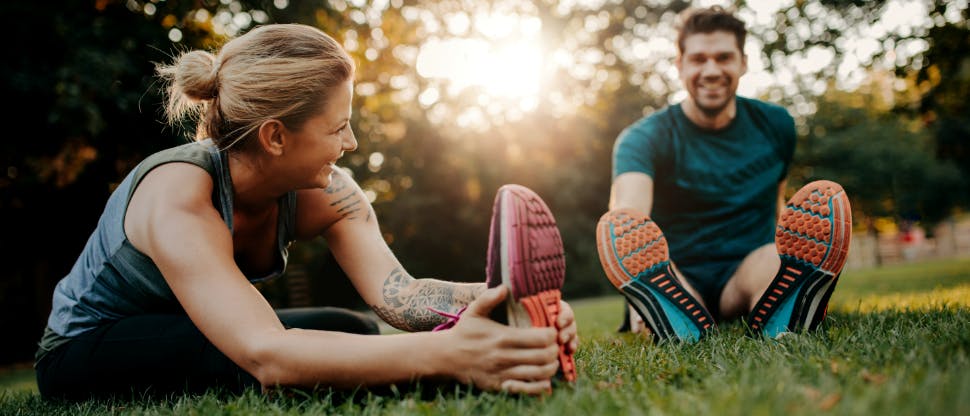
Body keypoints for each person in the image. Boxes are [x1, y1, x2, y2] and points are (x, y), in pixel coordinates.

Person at [34, 23, 577, 400]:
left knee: (354, 331)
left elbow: (402, 297)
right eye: (337, 127)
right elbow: (267, 353)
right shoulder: (179, 194)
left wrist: (508, 304)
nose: (354, 141)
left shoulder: (329, 193)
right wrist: (449, 356)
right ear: (275, 136)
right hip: (89, 347)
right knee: (262, 364)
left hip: (192, 330)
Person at [596, 6, 851, 342]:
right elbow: (628, 219)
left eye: (723, 57)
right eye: (699, 59)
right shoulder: (643, 138)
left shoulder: (776, 125)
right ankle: (660, 307)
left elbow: (776, 203)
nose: (711, 70)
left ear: (743, 62)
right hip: (677, 273)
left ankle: (788, 305)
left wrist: (786, 254)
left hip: (746, 270)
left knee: (774, 261)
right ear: (680, 65)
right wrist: (632, 292)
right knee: (662, 276)